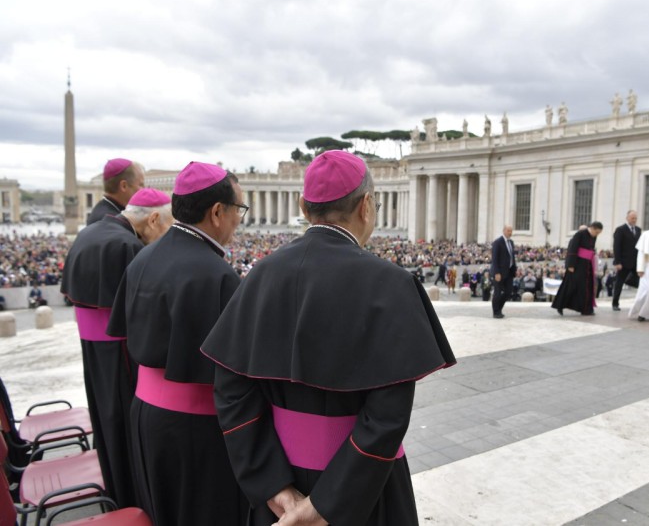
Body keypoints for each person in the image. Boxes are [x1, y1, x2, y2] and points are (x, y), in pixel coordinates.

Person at [200, 150, 456, 525]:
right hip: (363, 488)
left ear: (303, 207)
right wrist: (326, 504)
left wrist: (272, 484)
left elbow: (230, 389)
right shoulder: (392, 284)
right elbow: (387, 416)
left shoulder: (261, 275)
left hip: (279, 486)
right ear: (366, 206)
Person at [107, 162, 248, 525]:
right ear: (216, 212)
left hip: (144, 415)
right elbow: (236, 373)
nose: (238, 220)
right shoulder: (217, 275)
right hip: (194, 429)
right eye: (238, 210)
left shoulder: (143, 256)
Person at [61, 188, 172, 508]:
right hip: (121, 354)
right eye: (167, 226)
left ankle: (116, 494)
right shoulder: (127, 246)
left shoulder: (91, 230)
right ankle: (134, 502)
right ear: (153, 219)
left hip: (95, 351)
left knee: (107, 424)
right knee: (125, 429)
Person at [552, 221, 603, 316]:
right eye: (596, 232)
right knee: (570, 286)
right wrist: (570, 265)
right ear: (592, 228)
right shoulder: (580, 234)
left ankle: (586, 309)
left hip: (587, 265)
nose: (597, 234)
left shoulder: (594, 236)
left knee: (586, 287)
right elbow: (572, 249)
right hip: (577, 264)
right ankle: (560, 305)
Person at [86, 158, 146, 225]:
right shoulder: (112, 221)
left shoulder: (108, 212)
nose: (144, 189)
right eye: (141, 185)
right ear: (124, 186)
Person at [612, 210, 641, 311]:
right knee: (619, 283)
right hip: (623, 262)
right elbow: (616, 246)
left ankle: (641, 303)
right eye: (632, 218)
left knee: (641, 282)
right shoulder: (620, 230)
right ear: (627, 218)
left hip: (636, 262)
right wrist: (617, 262)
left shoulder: (638, 230)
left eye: (635, 218)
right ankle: (615, 303)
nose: (634, 220)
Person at [490, 225, 516, 318]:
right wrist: (497, 272)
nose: (510, 233)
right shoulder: (498, 242)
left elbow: (512, 257)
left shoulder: (511, 242)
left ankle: (499, 309)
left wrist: (514, 269)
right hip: (499, 272)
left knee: (508, 292)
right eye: (508, 231)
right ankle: (496, 312)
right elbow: (495, 258)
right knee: (497, 293)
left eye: (511, 231)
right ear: (504, 231)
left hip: (509, 272)